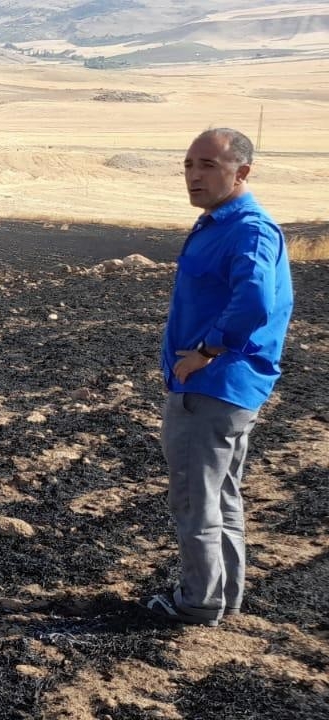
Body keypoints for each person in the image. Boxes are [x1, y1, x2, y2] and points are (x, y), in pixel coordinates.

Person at [143, 128, 295, 626]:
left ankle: (197, 602)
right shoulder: (218, 222)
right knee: (221, 493)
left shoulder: (247, 228)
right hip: (225, 386)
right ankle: (224, 596)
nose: (193, 175)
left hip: (213, 388)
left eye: (208, 165)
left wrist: (205, 353)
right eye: (188, 164)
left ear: (241, 172)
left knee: (195, 498)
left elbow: (253, 303)